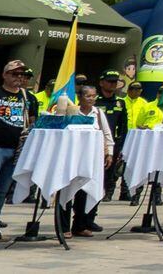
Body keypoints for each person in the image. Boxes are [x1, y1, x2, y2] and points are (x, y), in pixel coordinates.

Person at [0, 60, 39, 241]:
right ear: (4, 75)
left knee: (2, 190)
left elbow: (33, 120)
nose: (19, 77)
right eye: (15, 74)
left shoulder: (28, 97)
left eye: (22, 74)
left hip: (17, 150)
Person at [68, 85, 114, 237]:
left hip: (92, 158)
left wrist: (109, 153)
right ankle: (65, 226)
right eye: (88, 96)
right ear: (80, 97)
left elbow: (106, 134)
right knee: (70, 190)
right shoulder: (72, 112)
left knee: (86, 190)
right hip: (74, 157)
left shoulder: (98, 113)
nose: (91, 99)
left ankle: (81, 224)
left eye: (94, 96)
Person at [97, 70, 130, 201]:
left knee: (111, 168)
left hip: (114, 141)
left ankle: (108, 191)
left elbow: (123, 125)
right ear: (101, 83)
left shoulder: (120, 103)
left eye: (114, 82)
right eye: (109, 81)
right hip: (97, 141)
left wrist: (122, 144)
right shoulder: (95, 101)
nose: (112, 84)